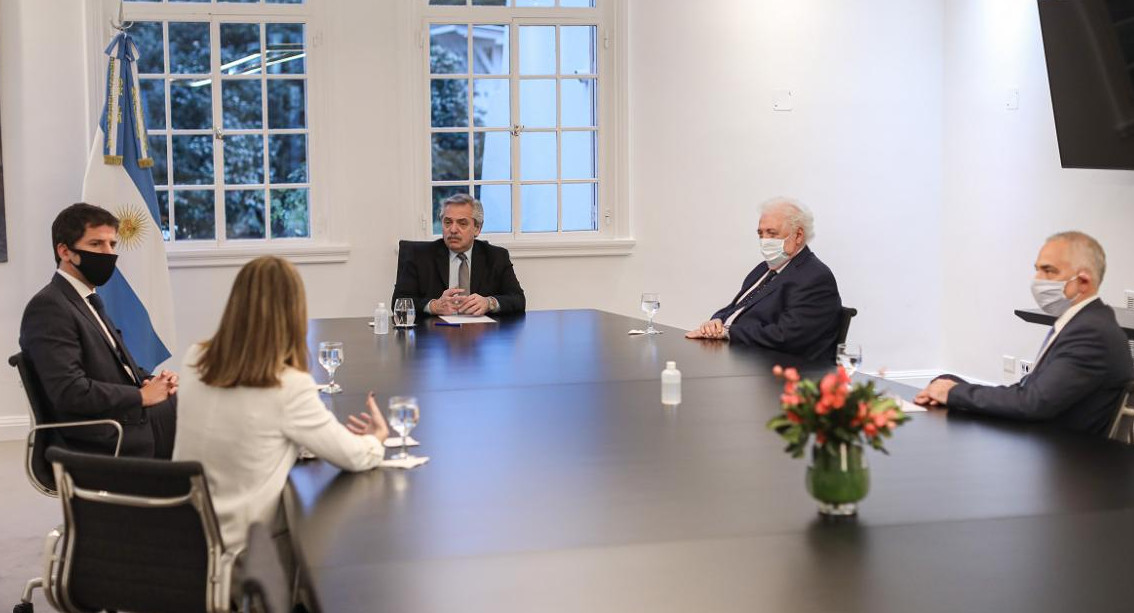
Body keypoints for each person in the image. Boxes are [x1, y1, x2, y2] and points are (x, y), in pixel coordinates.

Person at [173, 256, 390, 553]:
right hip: (244, 558)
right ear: (294, 313)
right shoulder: (287, 385)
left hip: (180, 541)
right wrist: (375, 438)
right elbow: (354, 457)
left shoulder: (194, 358)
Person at [915, 231, 1133, 436]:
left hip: (1065, 464)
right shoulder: (1081, 323)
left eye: (1049, 271)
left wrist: (954, 393)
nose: (1038, 279)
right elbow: (1026, 390)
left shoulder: (1092, 333)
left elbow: (1033, 403)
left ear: (1083, 281)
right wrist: (953, 385)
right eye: (1037, 269)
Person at [19, 203, 177, 458]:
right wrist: (140, 397)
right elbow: (69, 391)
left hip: (122, 421)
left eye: (112, 245)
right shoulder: (49, 307)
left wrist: (152, 381)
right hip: (99, 437)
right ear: (65, 251)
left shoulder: (87, 299)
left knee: (201, 405)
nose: (108, 253)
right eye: (96, 244)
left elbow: (117, 367)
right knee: (207, 418)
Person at [686, 197, 843, 362]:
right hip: (744, 359)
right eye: (761, 234)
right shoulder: (763, 268)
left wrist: (727, 332)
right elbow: (736, 308)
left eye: (772, 233)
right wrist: (716, 321)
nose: (764, 240)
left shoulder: (814, 277)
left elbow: (785, 335)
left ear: (798, 235)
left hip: (783, 372)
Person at [393, 193, 525, 316]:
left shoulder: (496, 256)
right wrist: (433, 306)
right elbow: (398, 302)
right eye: (448, 222)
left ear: (477, 228)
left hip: (481, 335)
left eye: (462, 223)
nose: (453, 230)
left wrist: (489, 303)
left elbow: (518, 299)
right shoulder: (420, 256)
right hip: (435, 335)